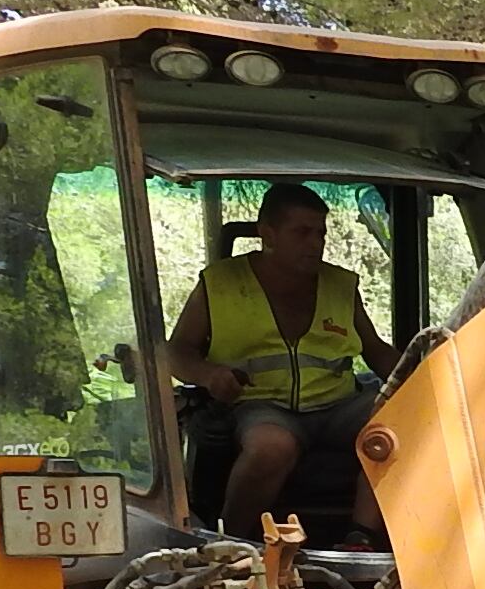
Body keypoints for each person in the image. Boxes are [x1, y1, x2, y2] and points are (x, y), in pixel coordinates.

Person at [165, 181, 395, 537]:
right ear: (267, 234)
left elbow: (375, 349)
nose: (315, 243)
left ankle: (361, 538)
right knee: (272, 448)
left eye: (320, 233)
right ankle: (233, 545)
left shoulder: (341, 285)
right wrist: (210, 375)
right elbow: (177, 351)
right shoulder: (221, 284)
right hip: (260, 405)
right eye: (302, 232)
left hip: (337, 404)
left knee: (395, 423)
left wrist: (422, 378)